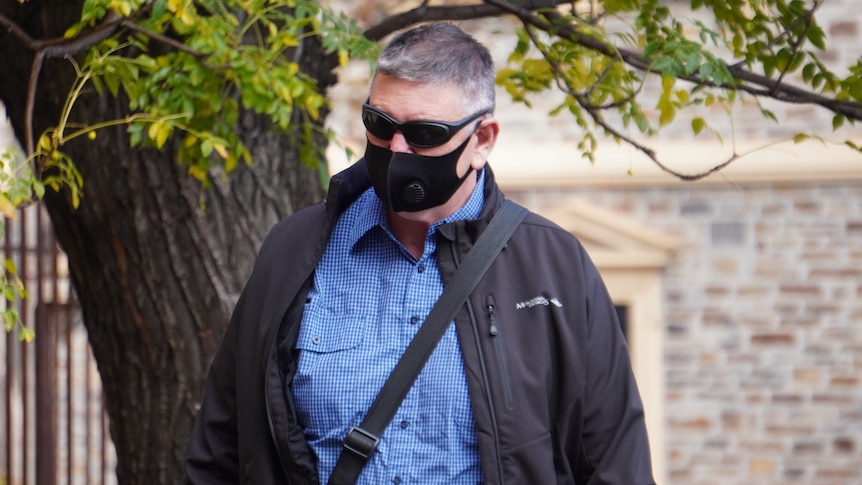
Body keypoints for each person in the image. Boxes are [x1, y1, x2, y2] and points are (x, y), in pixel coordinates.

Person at [186, 22, 655, 485]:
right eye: (379, 123)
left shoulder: (555, 268)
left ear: (482, 140)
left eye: (424, 133)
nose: (396, 147)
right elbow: (222, 451)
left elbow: (614, 464)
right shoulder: (294, 251)